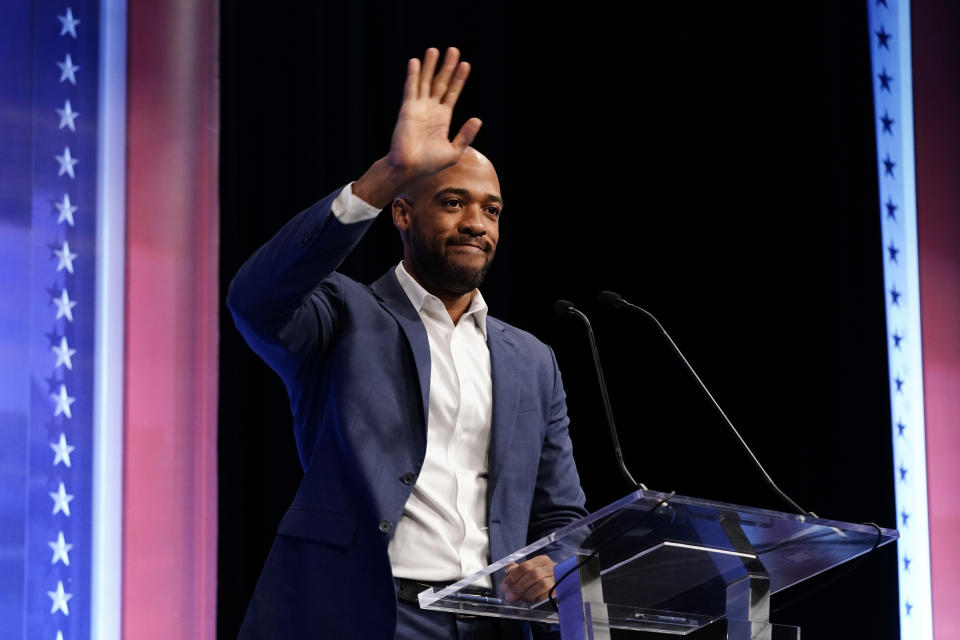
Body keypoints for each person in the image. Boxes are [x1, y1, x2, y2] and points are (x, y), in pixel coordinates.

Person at [228, 47, 588, 640]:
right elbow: (255, 298)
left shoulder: (531, 358)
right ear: (401, 213)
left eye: (491, 210)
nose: (477, 222)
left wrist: (553, 561)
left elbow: (561, 514)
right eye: (453, 202)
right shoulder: (342, 314)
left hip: (488, 619)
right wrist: (385, 173)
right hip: (361, 610)